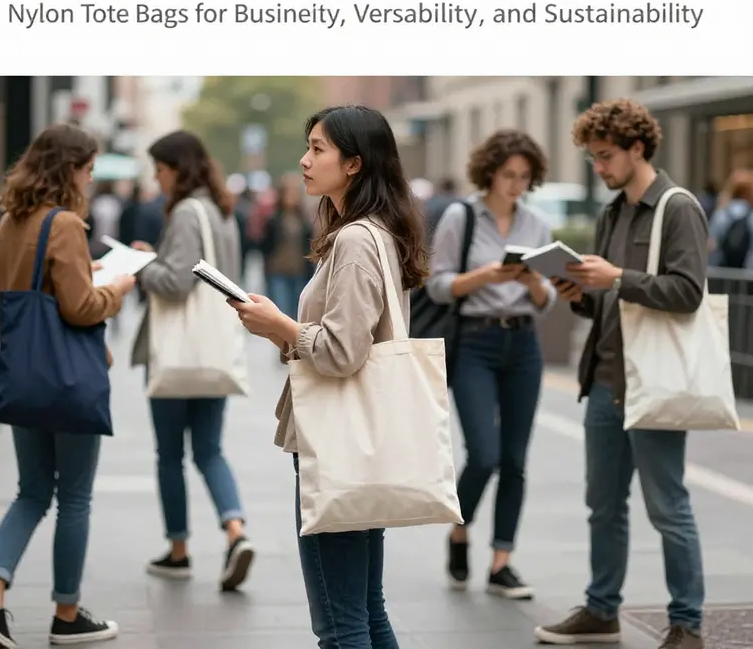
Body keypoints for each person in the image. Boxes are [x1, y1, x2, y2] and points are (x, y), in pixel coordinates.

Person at [229, 104, 428, 649]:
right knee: (366, 608)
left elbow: (342, 352)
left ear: (355, 164)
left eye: (318, 149)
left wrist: (282, 325)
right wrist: (279, 331)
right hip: (360, 437)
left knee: (340, 625)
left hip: (336, 440)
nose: (304, 159)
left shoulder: (358, 240)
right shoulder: (374, 232)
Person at [535, 99, 707, 649]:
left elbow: (688, 292)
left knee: (668, 508)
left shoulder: (676, 208)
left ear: (638, 148)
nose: (599, 168)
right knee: (603, 506)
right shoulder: (614, 212)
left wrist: (618, 277)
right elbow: (607, 299)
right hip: (606, 380)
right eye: (592, 158)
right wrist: (580, 294)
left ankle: (687, 624)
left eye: (606, 156)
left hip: (653, 384)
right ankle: (602, 609)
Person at [0, 123, 136, 648]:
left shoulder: (8, 222)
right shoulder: (63, 223)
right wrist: (118, 288)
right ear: (70, 170)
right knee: (75, 498)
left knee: (31, 492)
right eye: (87, 170)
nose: (89, 180)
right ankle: (66, 614)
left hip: (25, 380)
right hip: (68, 385)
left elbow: (1, 310)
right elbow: (80, 307)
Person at [426, 129, 556, 599]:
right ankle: (460, 530)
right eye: (508, 175)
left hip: (524, 343)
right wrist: (487, 275)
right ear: (490, 173)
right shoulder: (461, 216)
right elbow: (437, 285)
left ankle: (502, 561)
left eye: (524, 177)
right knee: (485, 454)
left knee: (516, 460)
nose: (516, 185)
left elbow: (547, 300)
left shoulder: (536, 223)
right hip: (475, 343)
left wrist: (536, 281)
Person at [130, 130, 256, 591]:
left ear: (176, 169)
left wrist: (143, 261)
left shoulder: (186, 211)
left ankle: (179, 550)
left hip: (178, 352)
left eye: (160, 170)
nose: (157, 179)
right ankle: (235, 529)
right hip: (213, 348)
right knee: (209, 449)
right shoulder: (222, 209)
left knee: (170, 454)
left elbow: (178, 282)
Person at [260, 178, 314, 320]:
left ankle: (293, 342)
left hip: (299, 271)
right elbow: (265, 246)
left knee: (298, 312)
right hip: (279, 271)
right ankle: (282, 342)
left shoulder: (304, 220)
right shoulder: (274, 220)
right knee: (281, 312)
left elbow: (308, 246)